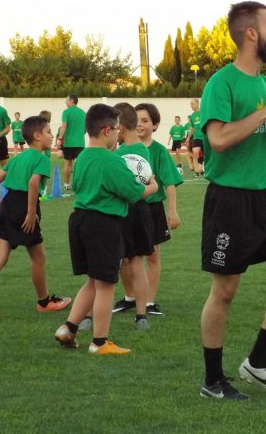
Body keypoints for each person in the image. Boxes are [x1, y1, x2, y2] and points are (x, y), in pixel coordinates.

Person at [198, 1, 266, 400]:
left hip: (265, 199)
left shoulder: (264, 85)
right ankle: (213, 381)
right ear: (251, 34)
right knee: (224, 291)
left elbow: (265, 146)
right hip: (230, 201)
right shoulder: (222, 83)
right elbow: (220, 139)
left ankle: (257, 363)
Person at [54, 104, 158, 355]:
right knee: (106, 285)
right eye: (116, 129)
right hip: (103, 225)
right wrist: (153, 185)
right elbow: (135, 193)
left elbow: (79, 186)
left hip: (80, 220)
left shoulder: (82, 158)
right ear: (105, 130)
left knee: (93, 281)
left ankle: (68, 328)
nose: (117, 134)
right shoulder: (112, 161)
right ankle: (100, 342)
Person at [0, 115, 72, 317]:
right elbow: (33, 184)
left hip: (8, 205)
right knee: (38, 258)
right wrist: (31, 212)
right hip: (25, 207)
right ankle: (44, 302)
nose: (52, 135)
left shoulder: (18, 158)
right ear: (37, 136)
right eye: (48, 132)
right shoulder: (42, 159)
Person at [112, 103, 182, 317]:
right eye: (138, 120)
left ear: (155, 125)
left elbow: (169, 182)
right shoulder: (119, 151)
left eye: (145, 120)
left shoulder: (158, 151)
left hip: (151, 210)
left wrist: (172, 210)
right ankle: (130, 297)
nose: (141, 124)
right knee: (124, 257)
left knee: (151, 255)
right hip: (124, 209)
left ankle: (149, 302)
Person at [114, 102, 155, 330]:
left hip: (123, 210)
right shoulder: (143, 149)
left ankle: (90, 315)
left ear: (119, 127)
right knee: (136, 262)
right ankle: (141, 315)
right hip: (141, 211)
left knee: (118, 260)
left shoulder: (119, 154)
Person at [59, 94, 86, 191]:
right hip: (80, 143)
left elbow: (63, 126)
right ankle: (79, 185)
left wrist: (60, 138)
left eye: (66, 100)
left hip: (69, 143)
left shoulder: (66, 112)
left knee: (67, 163)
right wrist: (79, 134)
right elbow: (85, 128)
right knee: (79, 164)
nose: (65, 102)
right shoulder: (83, 113)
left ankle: (67, 184)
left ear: (72, 101)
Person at [38, 110, 54, 199]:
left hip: (47, 152)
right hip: (43, 152)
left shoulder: (47, 125)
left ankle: (42, 189)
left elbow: (51, 135)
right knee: (42, 172)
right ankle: (41, 190)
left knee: (45, 171)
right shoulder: (42, 126)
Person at [189, 99, 204, 177]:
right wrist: (188, 138)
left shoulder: (204, 113)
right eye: (190, 104)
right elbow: (192, 128)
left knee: (204, 155)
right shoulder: (192, 116)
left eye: (192, 104)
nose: (191, 106)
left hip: (204, 137)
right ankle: (196, 171)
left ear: (197, 104)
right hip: (196, 137)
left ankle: (201, 168)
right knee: (195, 152)